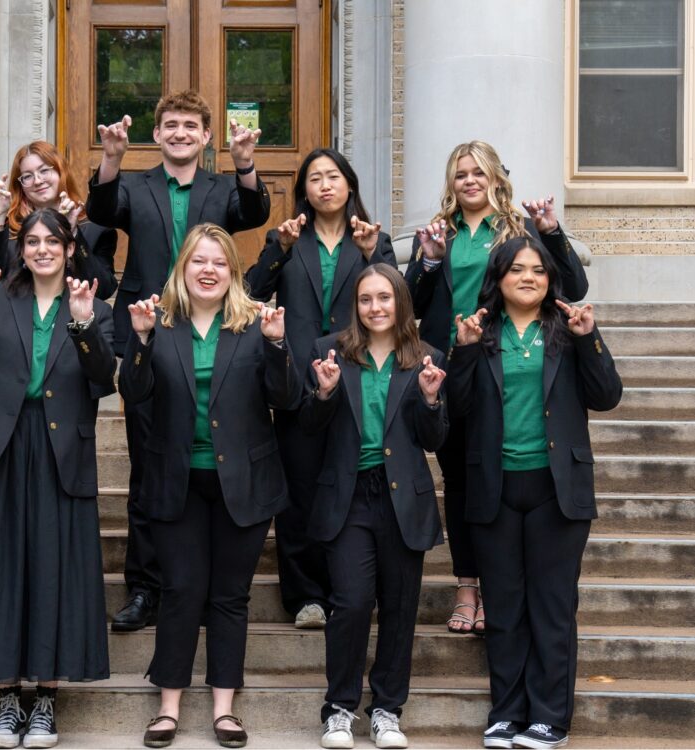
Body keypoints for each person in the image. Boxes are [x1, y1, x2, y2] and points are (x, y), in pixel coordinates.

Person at [88, 89, 271, 632]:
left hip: (214, 333)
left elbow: (256, 212)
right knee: (149, 466)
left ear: (206, 136)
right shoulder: (135, 185)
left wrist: (244, 162)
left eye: (191, 126)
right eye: (170, 125)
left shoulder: (221, 188)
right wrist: (113, 158)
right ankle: (145, 588)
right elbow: (100, 209)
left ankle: (204, 586)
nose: (180, 133)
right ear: (158, 133)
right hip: (148, 332)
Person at [119, 223, 298, 749]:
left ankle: (225, 709)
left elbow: (285, 399)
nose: (208, 270)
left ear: (233, 273)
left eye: (219, 262)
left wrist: (278, 345)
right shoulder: (160, 322)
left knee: (229, 596)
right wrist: (142, 339)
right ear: (183, 268)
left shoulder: (254, 324)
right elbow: (134, 392)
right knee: (180, 591)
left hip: (243, 482)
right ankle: (168, 707)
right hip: (176, 481)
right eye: (198, 260)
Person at [0, 209, 116, 749]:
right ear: (21, 249)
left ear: (69, 249)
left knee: (53, 573)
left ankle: (44, 702)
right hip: (1, 449)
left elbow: (104, 380)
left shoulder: (93, 306)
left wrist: (86, 325)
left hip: (60, 451)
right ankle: (6, 703)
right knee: (1, 572)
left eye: (53, 241)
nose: (42, 249)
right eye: (33, 241)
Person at [403, 141, 589, 635]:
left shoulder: (518, 230)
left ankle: (495, 588)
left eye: (478, 173)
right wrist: (426, 260)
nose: (469, 181)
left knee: (495, 483)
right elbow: (410, 302)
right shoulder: (440, 233)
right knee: (461, 482)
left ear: (495, 179)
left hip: (505, 368)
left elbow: (574, 285)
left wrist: (551, 230)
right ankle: (467, 586)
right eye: (460, 174)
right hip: (453, 367)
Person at [446, 237, 622, 749]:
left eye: (538, 271)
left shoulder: (567, 333)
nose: (529, 277)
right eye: (517, 269)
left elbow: (607, 395)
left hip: (556, 488)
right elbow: (454, 410)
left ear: (550, 280)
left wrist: (591, 339)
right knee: (504, 607)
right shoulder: (480, 333)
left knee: (550, 606)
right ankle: (506, 713)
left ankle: (549, 718)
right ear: (498, 277)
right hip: (494, 487)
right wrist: (462, 351)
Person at [246, 147, 397, 629]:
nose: (325, 185)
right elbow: (249, 294)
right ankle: (304, 594)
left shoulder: (371, 240)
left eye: (333, 176)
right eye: (315, 179)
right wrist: (279, 250)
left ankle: (348, 588)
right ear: (303, 191)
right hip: (297, 379)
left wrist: (376, 253)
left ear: (350, 185)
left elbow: (398, 299)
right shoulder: (286, 238)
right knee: (299, 487)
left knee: (349, 484)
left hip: (356, 376)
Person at [299, 264, 447, 750]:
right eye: (366, 299)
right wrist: (322, 392)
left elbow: (434, 438)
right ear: (355, 306)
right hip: (348, 496)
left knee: (400, 608)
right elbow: (308, 427)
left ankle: (386, 709)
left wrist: (430, 401)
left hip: (403, 497)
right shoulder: (329, 352)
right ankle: (339, 708)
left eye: (385, 297)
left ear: (400, 302)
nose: (376, 307)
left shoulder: (426, 358)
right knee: (352, 602)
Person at [0, 140, 117, 299]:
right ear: (21, 186)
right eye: (27, 176)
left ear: (61, 172)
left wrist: (73, 233)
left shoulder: (95, 229)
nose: (37, 181)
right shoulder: (7, 228)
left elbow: (103, 290)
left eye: (44, 171)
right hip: (16, 320)